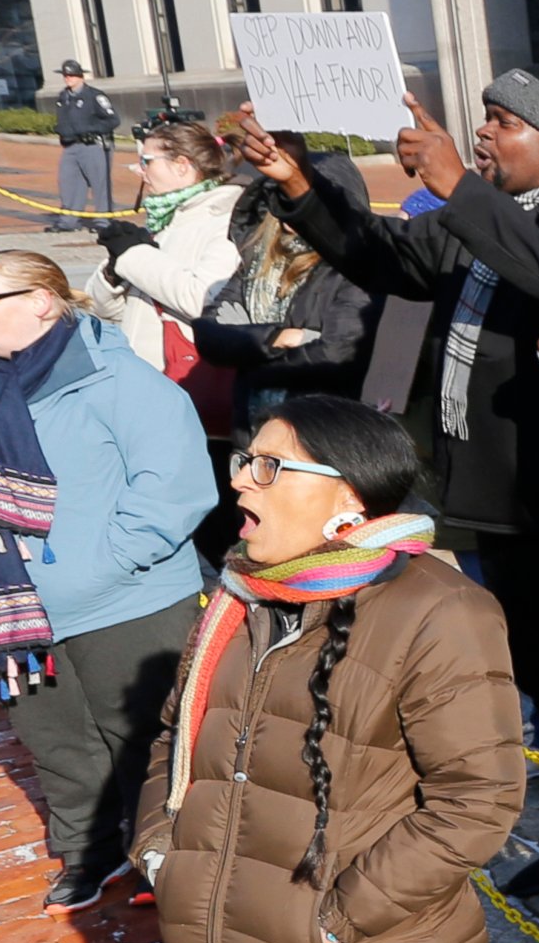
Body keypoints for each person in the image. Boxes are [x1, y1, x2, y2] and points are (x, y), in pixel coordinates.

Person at [234, 68, 539, 936]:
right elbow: (390, 259)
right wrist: (297, 182)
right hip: (501, 503)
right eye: (482, 121)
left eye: (502, 123)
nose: (482, 136)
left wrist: (457, 184)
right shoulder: (483, 220)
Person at [134, 397, 523, 943]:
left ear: (348, 494)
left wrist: (335, 921)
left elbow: (478, 799)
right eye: (245, 459)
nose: (239, 479)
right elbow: (175, 736)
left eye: (270, 465)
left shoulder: (441, 612)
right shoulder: (240, 596)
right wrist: (162, 850)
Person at [0, 250, 216, 914]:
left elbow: (171, 490)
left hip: (129, 601)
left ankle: (173, 858)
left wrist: (93, 567)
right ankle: (89, 851)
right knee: (54, 736)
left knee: (149, 738)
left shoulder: (120, 381)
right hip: (5, 608)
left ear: (41, 300)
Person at [189, 132, 380, 566]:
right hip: (253, 435)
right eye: (282, 199)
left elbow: (338, 350)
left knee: (316, 555)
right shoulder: (259, 261)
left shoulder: (354, 267)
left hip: (319, 443)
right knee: (259, 552)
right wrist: (278, 338)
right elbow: (210, 334)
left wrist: (251, 342)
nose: (291, 214)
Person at [85, 121, 243, 367]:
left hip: (190, 374)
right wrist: (112, 273)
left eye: (147, 161)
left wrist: (134, 255)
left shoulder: (225, 218)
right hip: (145, 373)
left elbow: (204, 300)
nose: (139, 171)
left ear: (181, 165)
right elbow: (108, 309)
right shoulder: (164, 219)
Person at [51, 60, 120, 232]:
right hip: (71, 145)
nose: (68, 78)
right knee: (68, 182)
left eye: (72, 75)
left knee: (100, 184)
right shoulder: (63, 97)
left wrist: (93, 130)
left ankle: (104, 222)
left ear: (80, 76)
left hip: (93, 145)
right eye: (65, 75)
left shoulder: (95, 96)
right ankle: (68, 222)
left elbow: (113, 120)